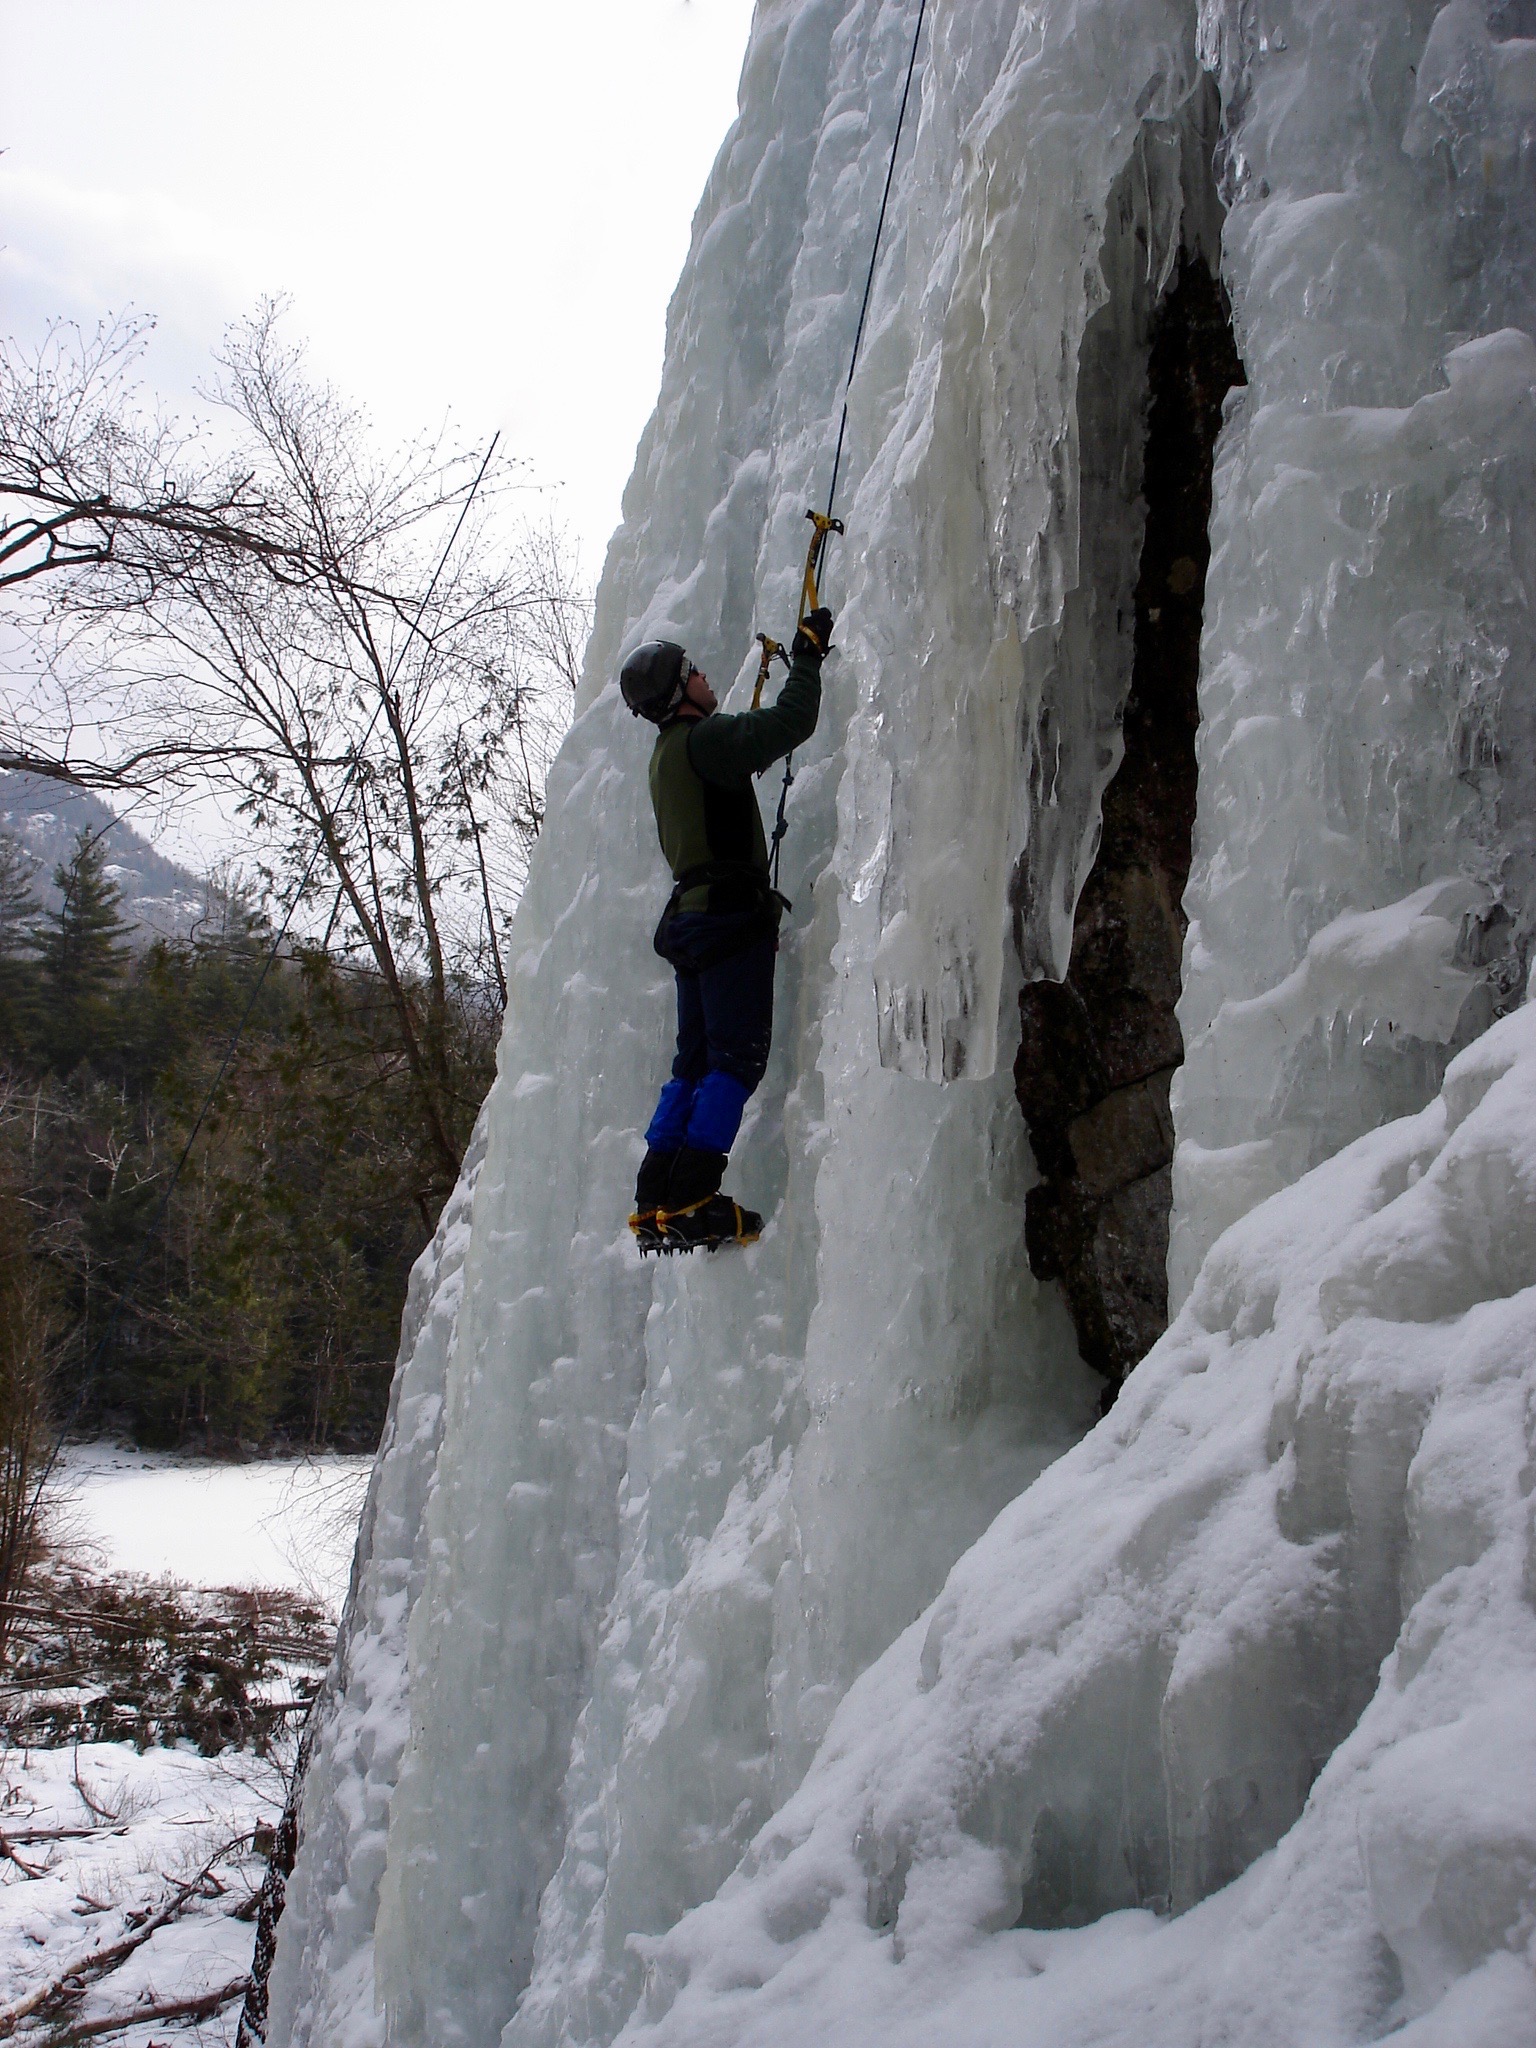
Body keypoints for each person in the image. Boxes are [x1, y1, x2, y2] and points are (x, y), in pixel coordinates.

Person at [620, 605, 834, 1252]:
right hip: (726, 919)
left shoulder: (667, 755)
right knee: (737, 1058)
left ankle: (656, 1198)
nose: (708, 676)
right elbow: (792, 722)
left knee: (694, 1062)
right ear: (681, 692)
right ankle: (692, 1195)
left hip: (690, 919)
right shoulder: (705, 742)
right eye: (696, 672)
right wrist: (809, 658)